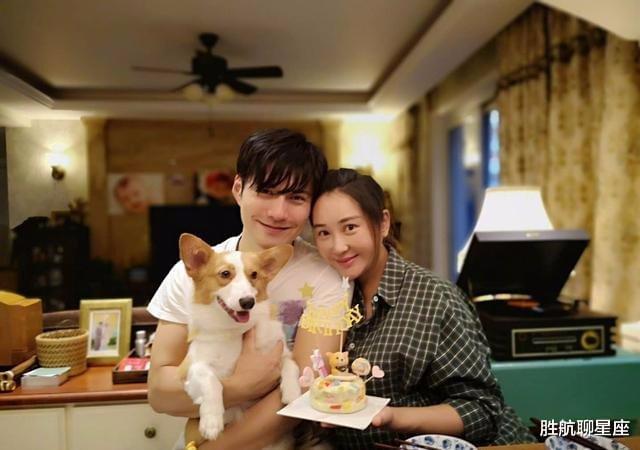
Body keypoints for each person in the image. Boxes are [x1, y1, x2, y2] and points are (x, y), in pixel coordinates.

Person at [146, 129, 349, 450]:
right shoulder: (192, 274)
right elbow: (159, 393)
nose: (278, 212)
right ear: (238, 189)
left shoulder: (325, 278)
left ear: (311, 205)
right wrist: (241, 385)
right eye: (266, 192)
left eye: (296, 197)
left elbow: (303, 391)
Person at [310, 168, 536, 450]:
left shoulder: (435, 298)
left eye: (350, 227)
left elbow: (482, 409)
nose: (338, 246)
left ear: (383, 223)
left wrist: (393, 417)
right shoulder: (330, 297)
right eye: (323, 233)